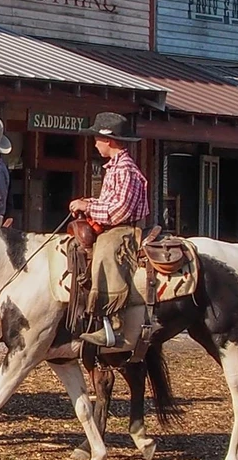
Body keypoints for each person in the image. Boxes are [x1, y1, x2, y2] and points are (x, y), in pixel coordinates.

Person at [69, 112, 149, 348]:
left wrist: (88, 206)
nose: (95, 143)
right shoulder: (115, 168)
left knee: (106, 253)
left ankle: (113, 324)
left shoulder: (124, 169)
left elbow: (119, 212)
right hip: (116, 224)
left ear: (109, 140)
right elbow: (112, 203)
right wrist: (89, 204)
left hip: (124, 229)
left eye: (97, 139)